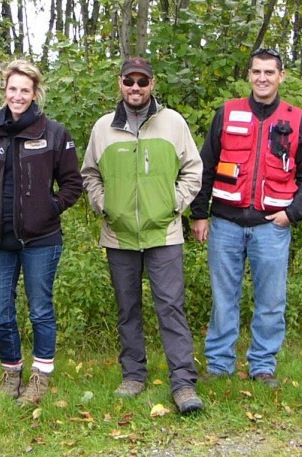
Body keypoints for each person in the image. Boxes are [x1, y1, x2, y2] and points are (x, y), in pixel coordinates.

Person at [189, 48, 302, 388]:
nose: (263, 78)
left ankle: (263, 365)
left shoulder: (295, 119)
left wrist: (292, 214)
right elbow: (205, 166)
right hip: (225, 224)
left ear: (281, 76)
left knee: (272, 301)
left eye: (269, 72)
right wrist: (199, 214)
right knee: (223, 298)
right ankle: (219, 364)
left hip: (271, 227)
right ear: (249, 75)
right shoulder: (228, 112)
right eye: (257, 72)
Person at [81, 56, 204, 415]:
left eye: (142, 81)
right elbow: (90, 174)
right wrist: (106, 207)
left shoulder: (173, 123)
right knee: (127, 308)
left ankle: (183, 383)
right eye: (129, 81)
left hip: (164, 233)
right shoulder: (103, 128)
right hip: (118, 236)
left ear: (152, 84)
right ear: (120, 83)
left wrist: (173, 204)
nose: (136, 88)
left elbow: (193, 170)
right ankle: (133, 375)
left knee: (171, 307)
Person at [0, 60, 83, 405]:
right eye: (12, 89)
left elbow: (72, 184)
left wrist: (47, 209)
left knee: (39, 309)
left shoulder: (53, 133)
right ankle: (11, 371)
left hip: (41, 239)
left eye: (25, 90)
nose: (18, 96)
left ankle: (40, 376)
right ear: (4, 91)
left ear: (35, 93)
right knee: (0, 312)